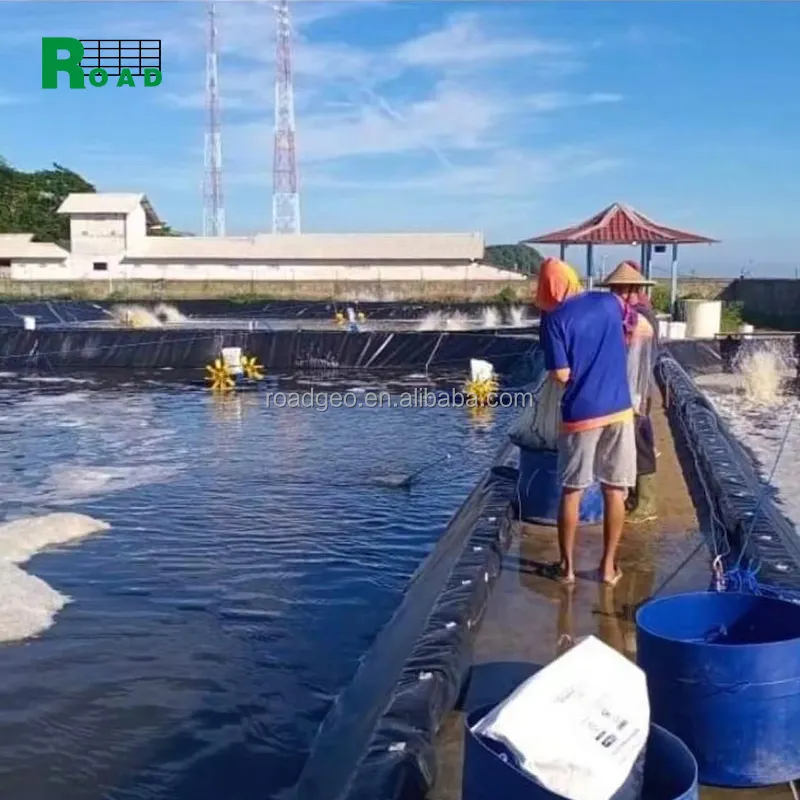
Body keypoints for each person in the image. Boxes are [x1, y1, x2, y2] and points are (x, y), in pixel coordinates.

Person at [536, 257, 637, 587]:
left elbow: (561, 374)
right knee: (615, 489)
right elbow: (635, 326)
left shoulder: (553, 320)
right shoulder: (609, 301)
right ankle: (608, 569)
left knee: (573, 491)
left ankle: (566, 570)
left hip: (581, 413)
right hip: (620, 409)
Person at [600, 262, 659, 523]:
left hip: (637, 390)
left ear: (629, 289)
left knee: (640, 441)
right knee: (631, 442)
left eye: (618, 290)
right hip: (630, 387)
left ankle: (647, 503)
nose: (615, 294)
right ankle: (635, 496)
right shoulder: (631, 312)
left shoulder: (640, 316)